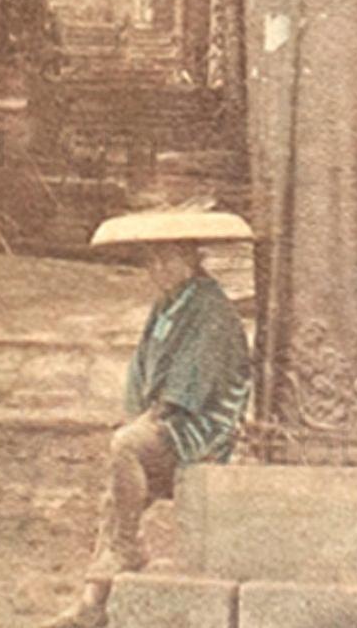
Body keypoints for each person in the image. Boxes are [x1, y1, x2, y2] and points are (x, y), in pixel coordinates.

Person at [48, 209, 253, 628]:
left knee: (126, 448)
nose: (156, 269)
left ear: (190, 259)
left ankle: (125, 550)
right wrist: (140, 413)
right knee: (116, 494)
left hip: (203, 423)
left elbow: (196, 378)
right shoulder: (169, 305)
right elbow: (144, 367)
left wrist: (151, 418)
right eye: (150, 260)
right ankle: (92, 602)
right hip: (167, 416)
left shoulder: (210, 308)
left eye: (166, 259)